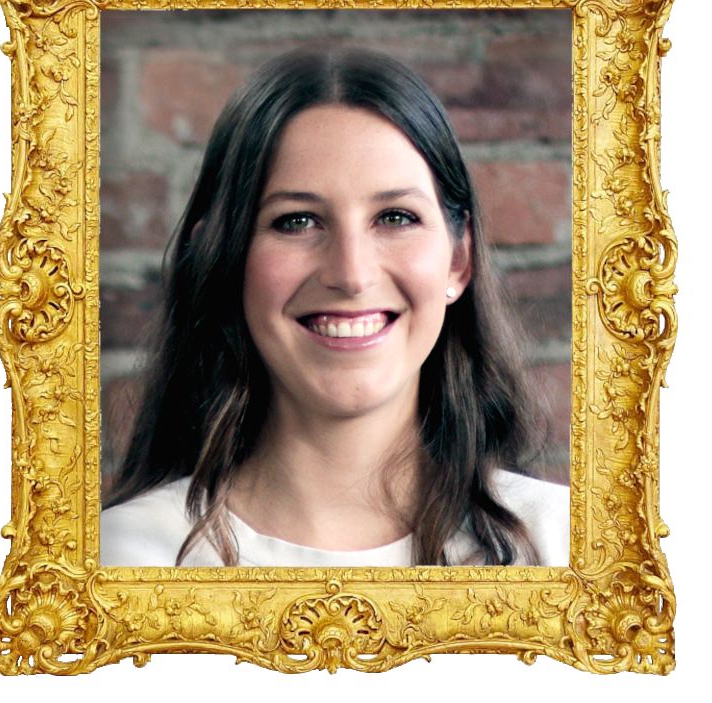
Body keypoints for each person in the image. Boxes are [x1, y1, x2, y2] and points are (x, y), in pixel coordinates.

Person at [101, 48, 569, 568]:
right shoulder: (122, 558)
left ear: (459, 260)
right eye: (297, 221)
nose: (351, 274)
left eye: (395, 217)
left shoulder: (567, 546)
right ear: (222, 256)